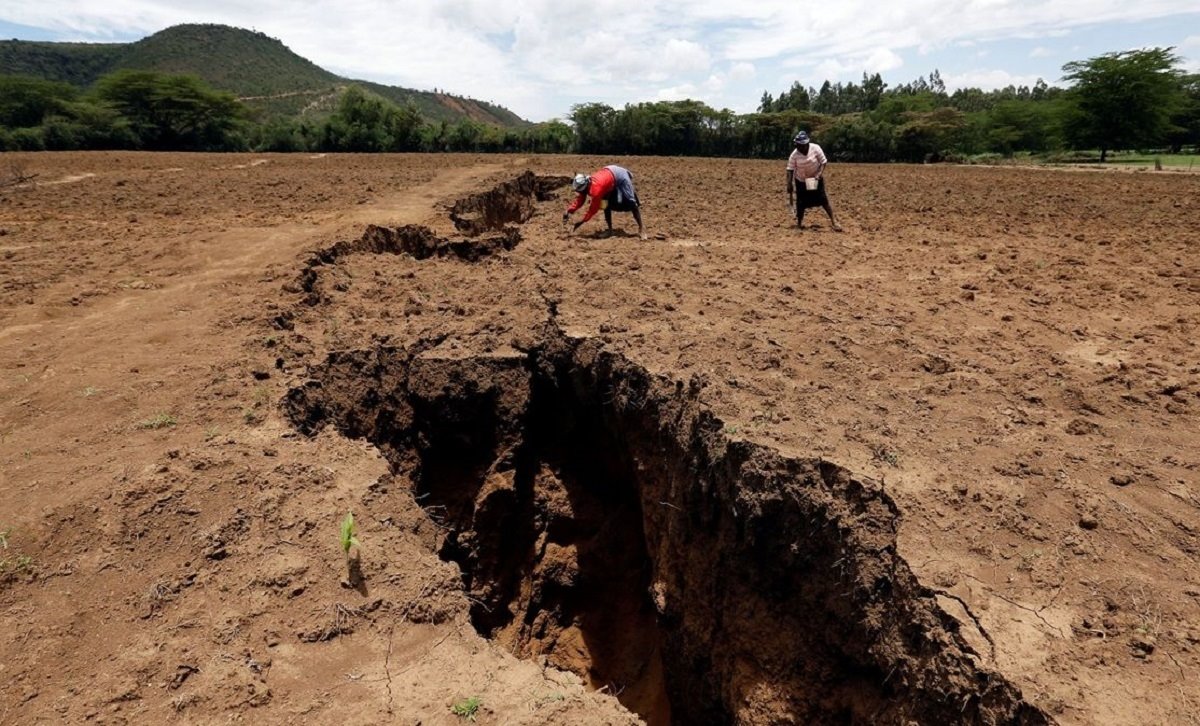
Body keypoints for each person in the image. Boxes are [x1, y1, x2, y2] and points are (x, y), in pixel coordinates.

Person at [562, 164, 646, 240]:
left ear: (584, 186)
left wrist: (580, 222)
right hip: (608, 175)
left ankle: (642, 229)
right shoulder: (587, 184)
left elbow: (592, 210)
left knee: (631, 202)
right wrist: (569, 210)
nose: (579, 192)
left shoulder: (596, 191)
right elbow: (580, 199)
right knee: (605, 203)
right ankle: (610, 230)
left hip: (620, 175)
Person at [786, 131, 842, 231]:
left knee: (823, 200)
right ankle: (799, 224)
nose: (799, 148)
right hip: (801, 181)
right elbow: (790, 169)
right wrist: (789, 183)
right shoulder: (794, 155)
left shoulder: (816, 148)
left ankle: (834, 221)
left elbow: (823, 162)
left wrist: (819, 174)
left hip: (814, 179)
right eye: (797, 145)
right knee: (801, 203)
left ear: (806, 144)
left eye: (801, 145)